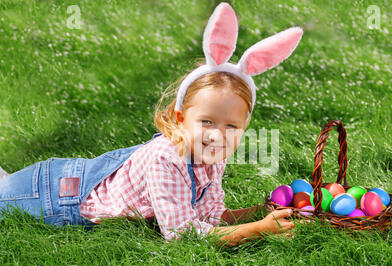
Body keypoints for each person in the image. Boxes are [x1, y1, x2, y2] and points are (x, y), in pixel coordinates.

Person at [0, 2, 303, 246]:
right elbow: (182, 235)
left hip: (71, 180)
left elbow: (209, 218)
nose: (217, 135)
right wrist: (260, 229)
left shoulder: (211, 156)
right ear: (182, 119)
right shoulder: (167, 158)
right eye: (207, 121)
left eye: (231, 127)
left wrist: (261, 213)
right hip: (57, 196)